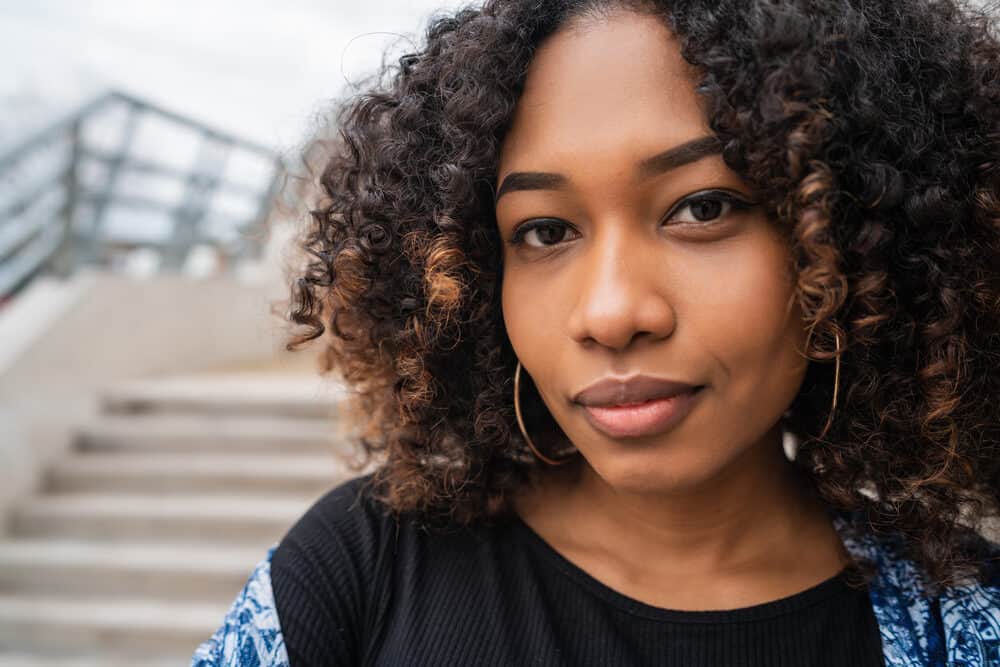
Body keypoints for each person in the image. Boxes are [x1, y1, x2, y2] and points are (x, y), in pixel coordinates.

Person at [192, 0, 1000, 665]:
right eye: (544, 231)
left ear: (852, 242)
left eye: (703, 208)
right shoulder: (363, 571)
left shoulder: (962, 624)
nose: (610, 313)